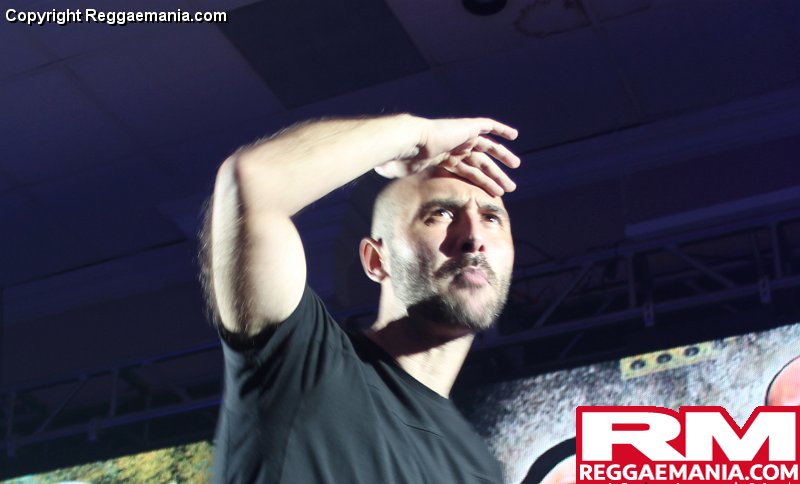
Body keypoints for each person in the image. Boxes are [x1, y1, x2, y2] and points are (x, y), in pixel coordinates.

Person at [200, 114, 521, 483]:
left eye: (492, 219)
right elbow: (254, 182)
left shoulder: (478, 470)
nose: (474, 237)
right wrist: (413, 136)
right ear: (376, 260)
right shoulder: (302, 363)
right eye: (441, 214)